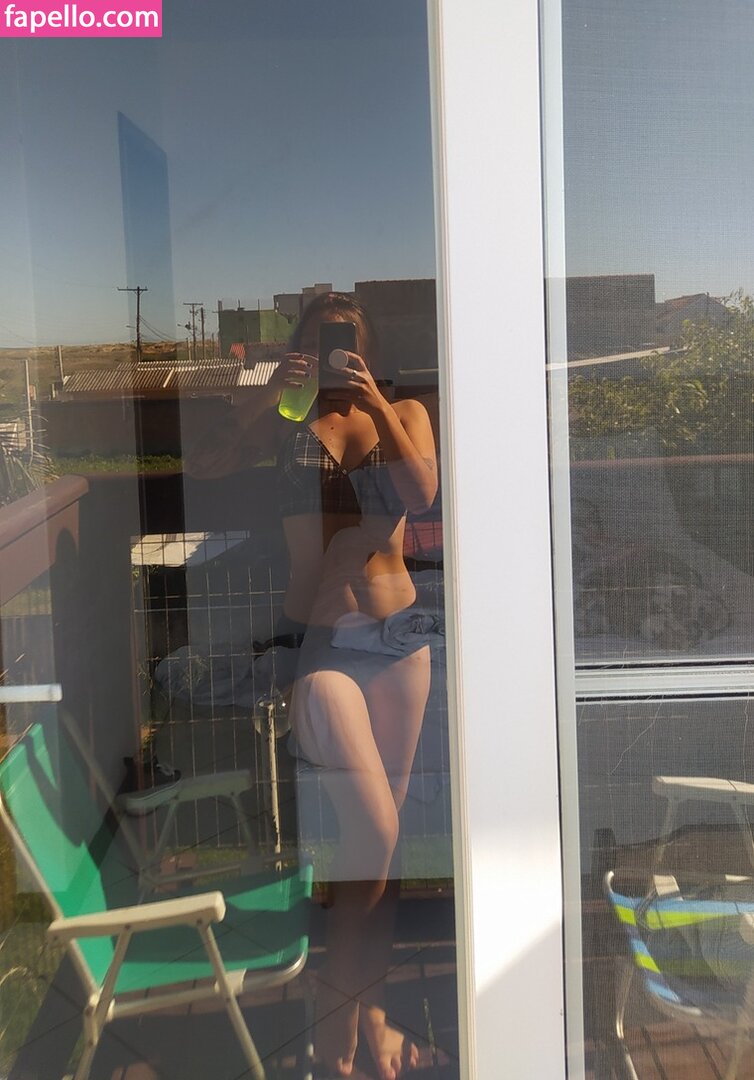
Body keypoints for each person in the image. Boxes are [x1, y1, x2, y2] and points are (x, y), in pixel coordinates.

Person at [188, 292, 438, 1079]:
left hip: (400, 642)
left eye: (347, 339)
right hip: (323, 644)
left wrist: (375, 402)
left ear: (369, 345)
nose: (335, 350)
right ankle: (339, 1013)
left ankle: (368, 1016)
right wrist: (270, 391)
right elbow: (204, 463)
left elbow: (422, 493)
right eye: (322, 339)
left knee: (383, 845)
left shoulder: (403, 411)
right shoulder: (287, 421)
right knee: (376, 833)